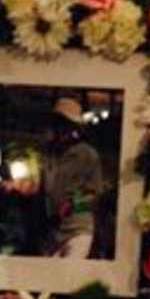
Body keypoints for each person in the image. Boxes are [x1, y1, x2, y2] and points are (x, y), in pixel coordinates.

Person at [40, 97, 103, 259]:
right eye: (58, 123)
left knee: (69, 271)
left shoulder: (87, 154)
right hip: (52, 233)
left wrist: (73, 204)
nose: (61, 128)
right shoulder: (48, 153)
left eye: (66, 123)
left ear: (74, 127)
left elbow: (95, 194)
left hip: (78, 229)